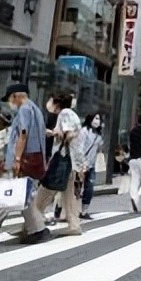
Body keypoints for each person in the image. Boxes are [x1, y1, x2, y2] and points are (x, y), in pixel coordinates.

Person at [0, 83, 49, 244]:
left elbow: (23, 134)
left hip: (22, 160)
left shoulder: (24, 109)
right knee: (24, 195)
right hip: (34, 159)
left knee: (7, 194)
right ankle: (37, 230)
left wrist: (17, 159)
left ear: (15, 96)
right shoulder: (36, 110)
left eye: (9, 99)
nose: (9, 103)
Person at [34, 92, 86, 236]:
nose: (49, 104)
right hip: (71, 161)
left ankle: (30, 224)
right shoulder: (71, 114)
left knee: (44, 192)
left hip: (63, 159)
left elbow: (68, 134)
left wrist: (53, 133)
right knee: (69, 196)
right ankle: (74, 225)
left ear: (56, 103)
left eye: (51, 100)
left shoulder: (65, 113)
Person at [79, 113, 105, 219]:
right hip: (80, 164)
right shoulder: (84, 131)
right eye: (96, 118)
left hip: (91, 165)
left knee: (89, 188)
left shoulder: (98, 135)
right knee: (75, 188)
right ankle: (63, 209)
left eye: (99, 119)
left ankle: (84, 211)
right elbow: (80, 147)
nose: (97, 121)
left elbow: (100, 147)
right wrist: (82, 162)